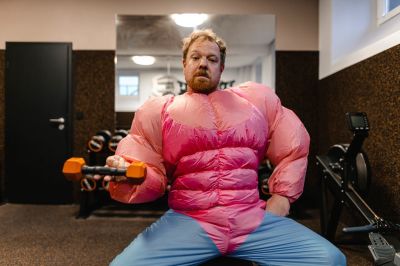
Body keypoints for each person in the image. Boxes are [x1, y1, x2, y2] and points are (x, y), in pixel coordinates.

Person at [100, 29, 346, 266]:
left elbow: (294, 144)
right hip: (191, 220)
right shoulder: (159, 111)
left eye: (212, 59)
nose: (203, 63)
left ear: (221, 67)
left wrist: (282, 198)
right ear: (184, 64)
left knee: (330, 259)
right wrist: (132, 175)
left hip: (250, 218)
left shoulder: (255, 102)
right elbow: (151, 173)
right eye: (195, 57)